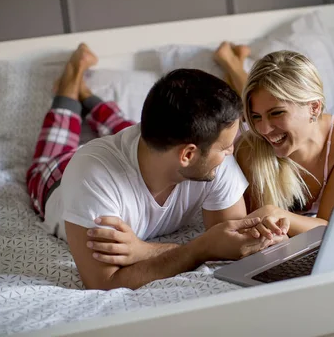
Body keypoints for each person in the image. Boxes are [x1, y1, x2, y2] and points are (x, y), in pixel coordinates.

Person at [26, 43, 285, 291]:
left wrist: (146, 250)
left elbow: (230, 237)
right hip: (58, 177)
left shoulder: (196, 154)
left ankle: (87, 94)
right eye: (225, 148)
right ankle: (70, 84)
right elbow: (105, 281)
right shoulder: (89, 177)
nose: (232, 152)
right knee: (55, 148)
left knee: (131, 129)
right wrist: (199, 248)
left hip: (143, 150)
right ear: (188, 154)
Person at [214, 43, 334, 238]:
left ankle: (234, 63)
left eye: (277, 113)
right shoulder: (249, 149)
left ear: (314, 107)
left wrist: (273, 213)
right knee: (257, 101)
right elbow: (264, 230)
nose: (263, 129)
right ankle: (232, 63)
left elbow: (333, 227)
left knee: (262, 99)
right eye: (255, 116)